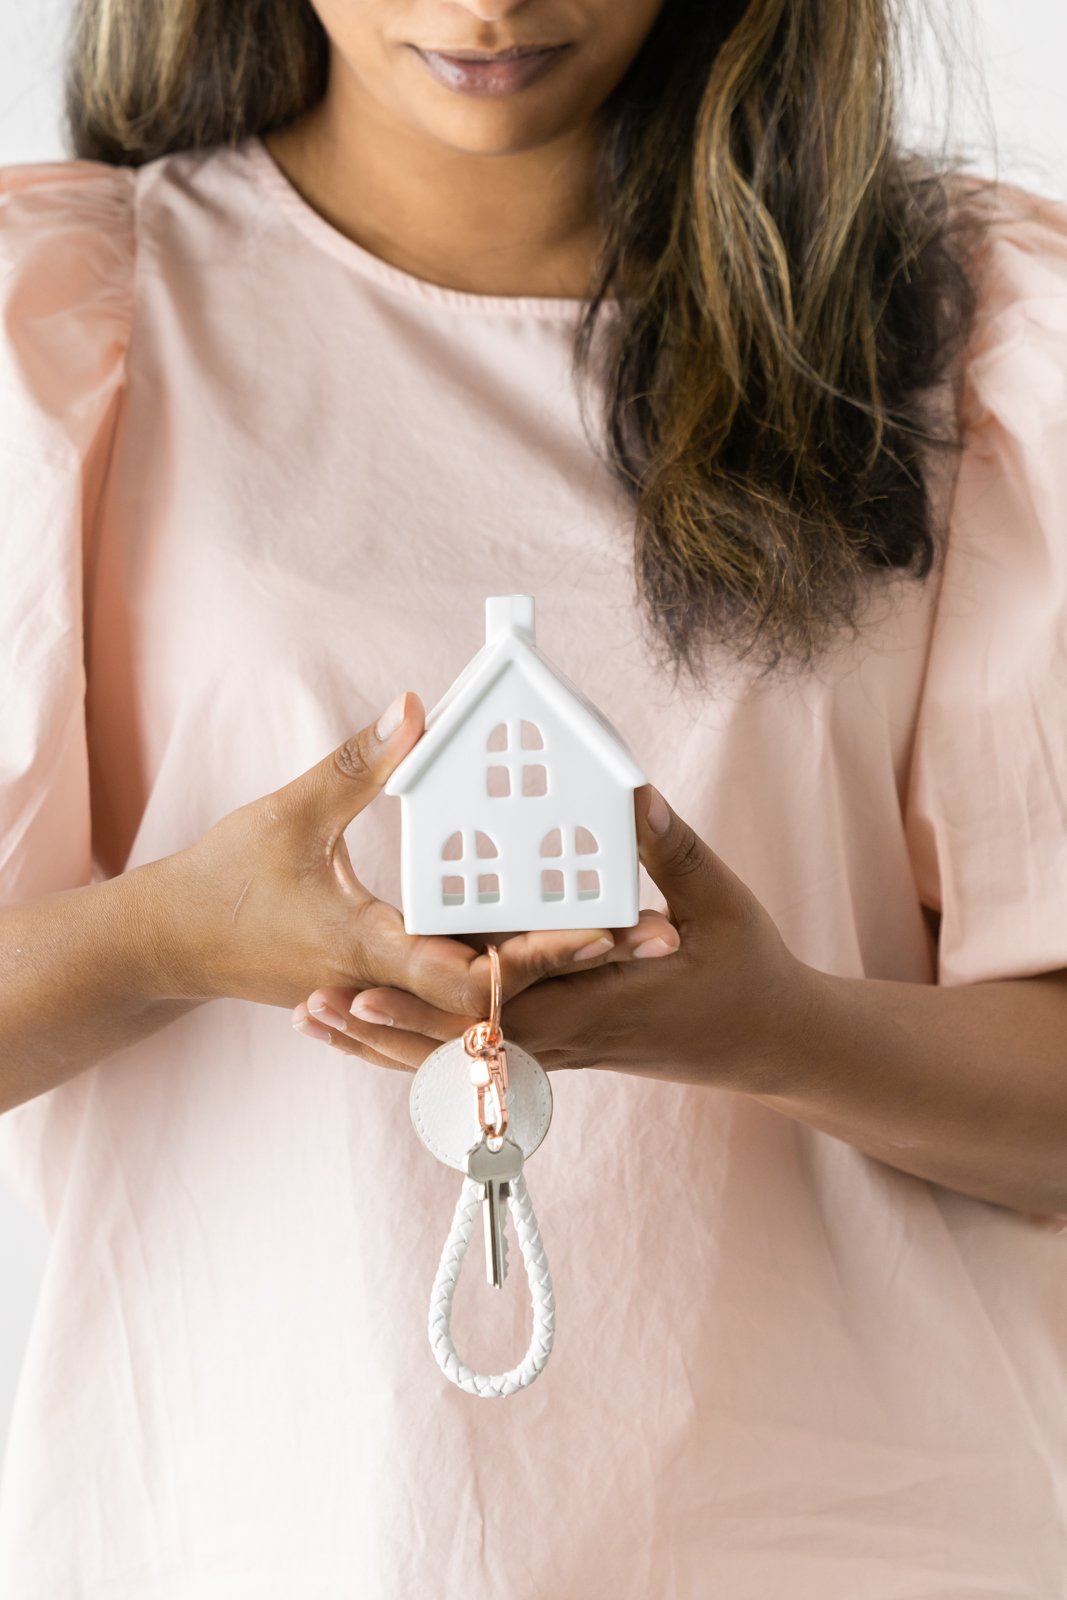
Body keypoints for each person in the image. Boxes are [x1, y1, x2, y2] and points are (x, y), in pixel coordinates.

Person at [1, 0, 1067, 1591]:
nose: (489, 5)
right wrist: (166, 938)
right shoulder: (77, 324)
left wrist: (772, 1025)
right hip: (256, 1526)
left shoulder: (976, 334)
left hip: (858, 1533)